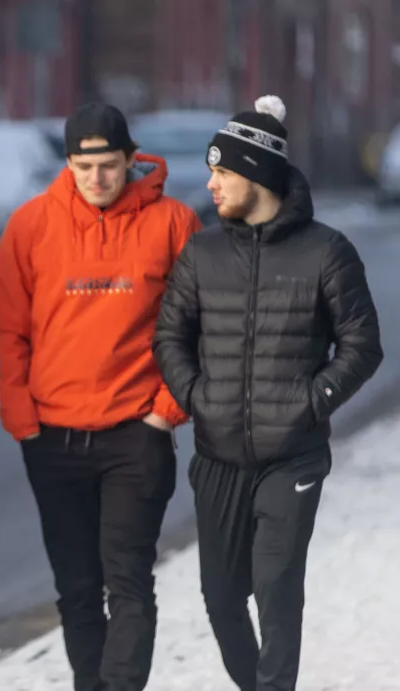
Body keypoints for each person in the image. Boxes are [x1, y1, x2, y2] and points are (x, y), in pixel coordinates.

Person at [153, 95, 382, 691]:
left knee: (277, 589)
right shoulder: (202, 252)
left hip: (292, 457)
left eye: (222, 172)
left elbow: (363, 345)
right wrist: (196, 397)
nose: (211, 184)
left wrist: (312, 400)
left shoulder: (326, 251)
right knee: (221, 598)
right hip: (218, 456)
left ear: (255, 174)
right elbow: (169, 336)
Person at [0, 102, 202, 691]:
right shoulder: (31, 224)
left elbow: (199, 326)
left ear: (132, 160)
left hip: (137, 433)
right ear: (68, 164)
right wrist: (22, 417)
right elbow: (8, 329)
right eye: (83, 168)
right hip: (52, 437)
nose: (97, 178)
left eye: (109, 165)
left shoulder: (174, 223)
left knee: (128, 580)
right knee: (77, 588)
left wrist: (167, 411)